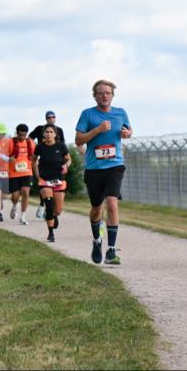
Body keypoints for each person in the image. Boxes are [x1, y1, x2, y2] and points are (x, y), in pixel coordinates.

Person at [75, 79, 132, 265]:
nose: (104, 96)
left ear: (112, 95)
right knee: (97, 208)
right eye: (100, 93)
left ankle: (111, 251)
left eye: (107, 93)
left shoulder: (120, 113)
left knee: (112, 204)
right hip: (94, 168)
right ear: (95, 96)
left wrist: (127, 134)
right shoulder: (88, 115)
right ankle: (97, 240)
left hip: (115, 165)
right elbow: (78, 140)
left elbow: (128, 130)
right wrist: (97, 130)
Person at [33, 124, 71, 242]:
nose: (48, 134)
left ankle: (54, 216)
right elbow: (33, 160)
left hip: (59, 181)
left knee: (58, 210)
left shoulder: (61, 146)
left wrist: (66, 165)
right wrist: (37, 174)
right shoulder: (40, 147)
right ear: (43, 134)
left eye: (51, 132)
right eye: (46, 132)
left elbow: (69, 159)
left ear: (55, 134)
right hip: (45, 180)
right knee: (49, 206)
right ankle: (51, 233)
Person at [7, 124, 36, 225]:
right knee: (15, 196)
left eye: (24, 135)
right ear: (17, 133)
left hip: (27, 172)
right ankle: (14, 205)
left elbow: (35, 157)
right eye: (20, 135)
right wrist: (8, 159)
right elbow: (2, 155)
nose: (22, 137)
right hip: (13, 173)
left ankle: (23, 216)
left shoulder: (31, 143)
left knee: (25, 193)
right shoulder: (10, 142)